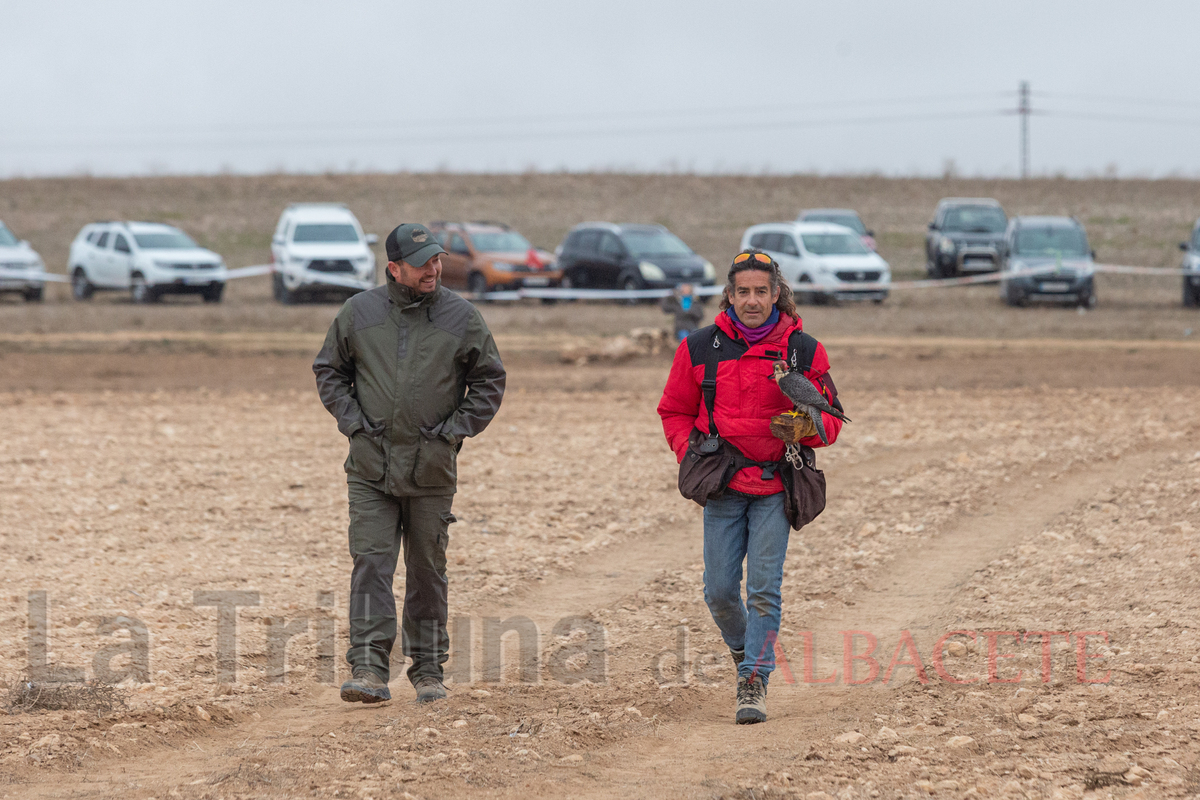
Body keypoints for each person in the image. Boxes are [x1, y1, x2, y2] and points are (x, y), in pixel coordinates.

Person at [313, 223, 505, 704]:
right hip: (370, 468)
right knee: (372, 564)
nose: (434, 269)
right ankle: (369, 669)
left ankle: (428, 670)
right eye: (423, 263)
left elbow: (489, 381)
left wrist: (453, 432)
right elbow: (329, 371)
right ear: (394, 267)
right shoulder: (358, 313)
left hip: (431, 470)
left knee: (426, 570)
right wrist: (354, 423)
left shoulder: (462, 317)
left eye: (437, 260)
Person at [656, 249, 842, 724]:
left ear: (776, 293)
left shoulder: (804, 351)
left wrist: (805, 431)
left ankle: (754, 679)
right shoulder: (698, 347)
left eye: (762, 291)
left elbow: (831, 424)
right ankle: (746, 653)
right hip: (722, 485)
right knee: (718, 591)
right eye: (744, 292)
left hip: (777, 486)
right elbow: (674, 410)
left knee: (763, 589)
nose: (753, 300)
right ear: (730, 295)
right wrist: (689, 454)